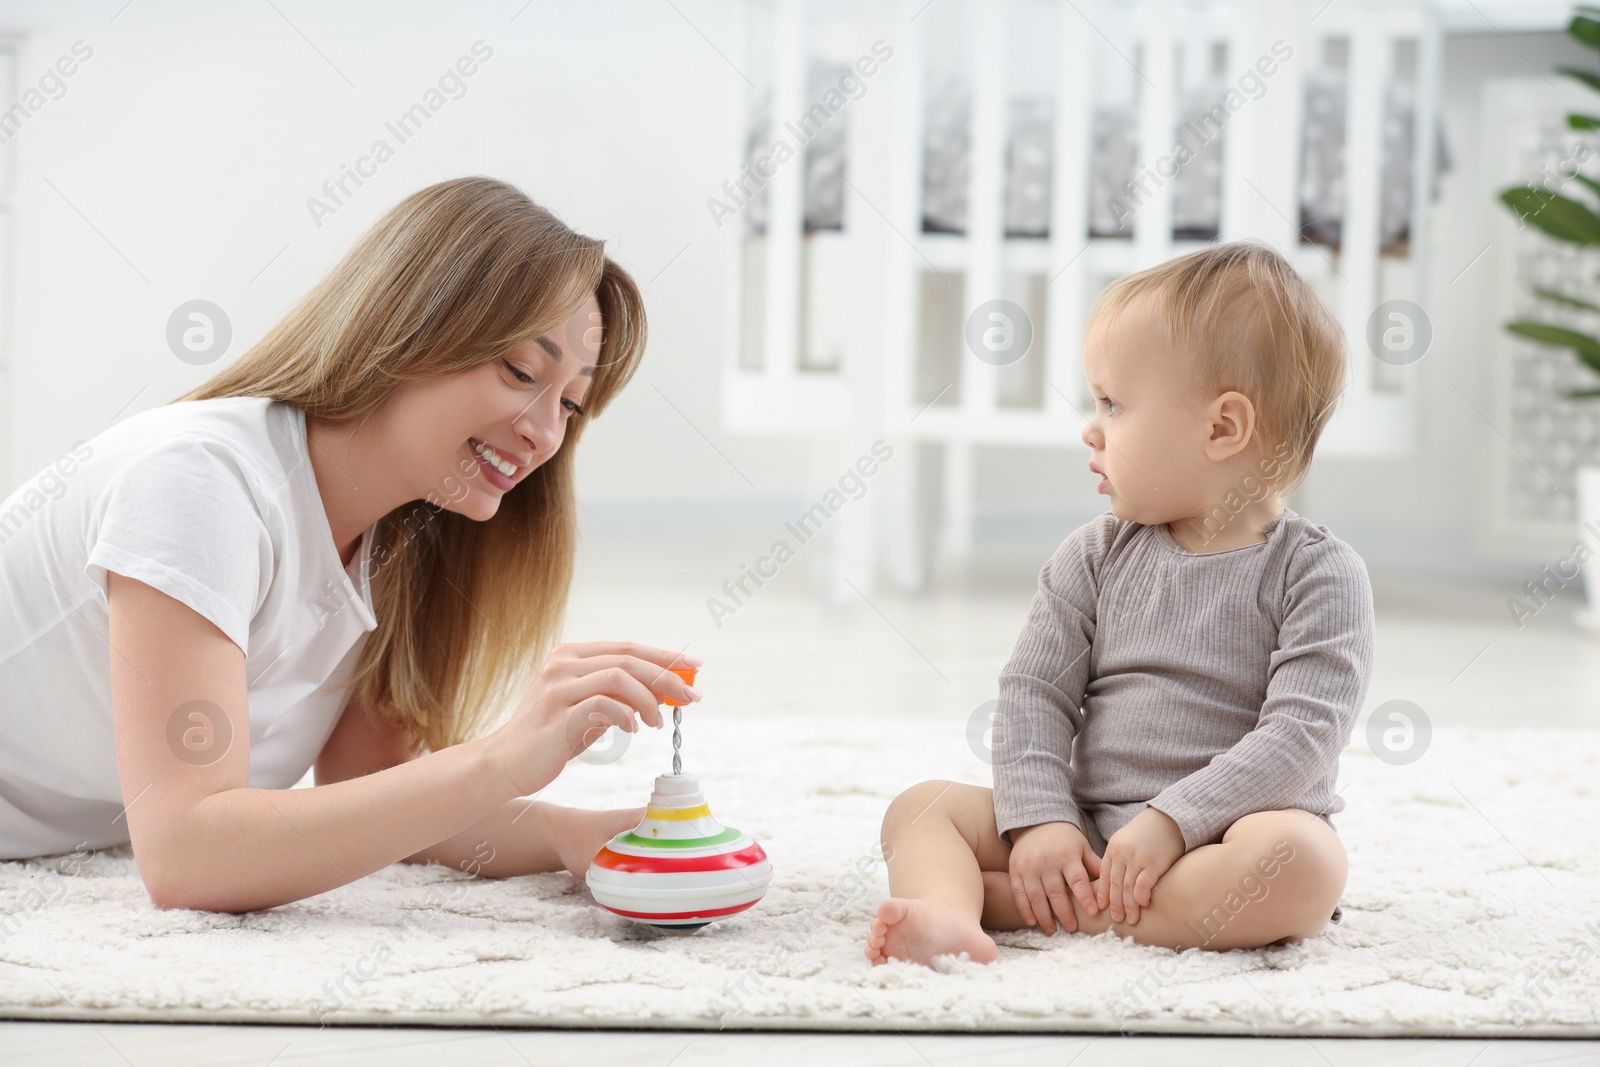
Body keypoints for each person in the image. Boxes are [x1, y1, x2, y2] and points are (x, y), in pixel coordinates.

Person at [0, 176, 701, 913]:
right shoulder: (199, 483)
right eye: (521, 371)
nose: (545, 433)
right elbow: (188, 856)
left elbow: (376, 792)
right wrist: (497, 759)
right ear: (409, 325)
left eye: (569, 403)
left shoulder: (397, 534)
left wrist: (575, 834)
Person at [866, 241, 1375, 966]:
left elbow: (1300, 737)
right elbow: (1035, 693)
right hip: (1088, 830)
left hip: (1218, 840)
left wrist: (1174, 821)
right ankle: (953, 913)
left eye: (1113, 403)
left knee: (1304, 863)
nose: (1091, 426)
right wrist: (1043, 820)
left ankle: (1027, 905)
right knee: (919, 807)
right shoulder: (1095, 556)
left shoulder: (1320, 574)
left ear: (1223, 427)